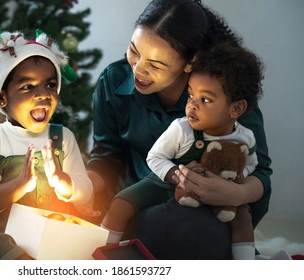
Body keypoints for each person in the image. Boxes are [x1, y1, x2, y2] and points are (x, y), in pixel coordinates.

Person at [87, 0, 272, 259]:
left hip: (203, 215)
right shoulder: (113, 81)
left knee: (181, 228)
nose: (138, 69)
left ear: (190, 62)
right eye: (134, 50)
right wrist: (84, 185)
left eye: (157, 64)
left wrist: (237, 192)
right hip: (137, 204)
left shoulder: (227, 96)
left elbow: (260, 172)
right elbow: (106, 155)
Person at [0, 23, 95, 259]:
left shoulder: (62, 137)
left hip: (55, 238)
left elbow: (85, 191)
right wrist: (18, 185)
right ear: (2, 98)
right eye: (28, 86)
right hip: (10, 243)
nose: (43, 93)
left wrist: (65, 183)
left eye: (50, 84)